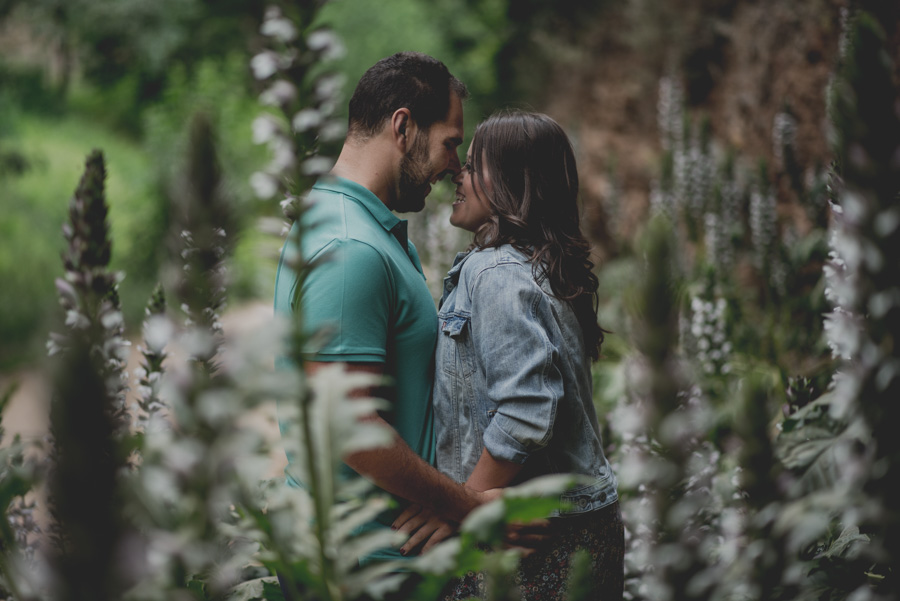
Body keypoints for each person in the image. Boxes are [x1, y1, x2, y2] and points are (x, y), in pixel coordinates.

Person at [272, 52, 496, 586]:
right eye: (449, 143)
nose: (454, 166)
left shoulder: (341, 222)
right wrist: (466, 504)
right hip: (362, 568)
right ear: (403, 126)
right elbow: (351, 428)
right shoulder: (353, 250)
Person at [396, 110, 624, 600]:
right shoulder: (538, 266)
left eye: (474, 165)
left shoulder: (496, 271)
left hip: (533, 536)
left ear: (512, 183)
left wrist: (463, 507)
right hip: (579, 523)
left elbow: (526, 409)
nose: (458, 173)